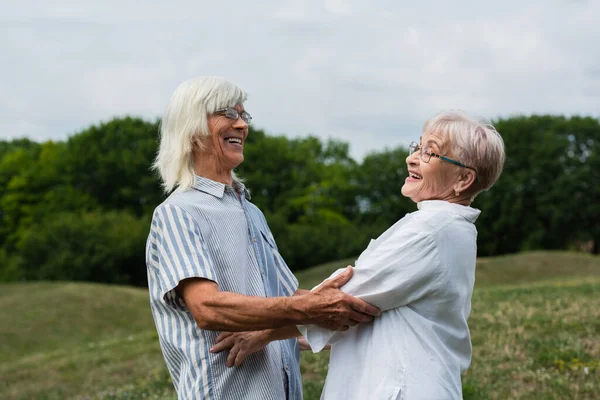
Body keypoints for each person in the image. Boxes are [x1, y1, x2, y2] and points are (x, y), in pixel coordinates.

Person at [212, 110, 505, 399]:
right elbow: (364, 313)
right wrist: (284, 328)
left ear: (464, 179)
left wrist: (262, 330)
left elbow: (340, 304)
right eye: (418, 146)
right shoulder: (446, 228)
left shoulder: (430, 231)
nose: (412, 157)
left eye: (430, 152)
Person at [145, 76, 379, 400]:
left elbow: (288, 297)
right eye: (228, 113)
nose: (241, 124)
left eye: (244, 115)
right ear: (192, 128)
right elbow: (207, 307)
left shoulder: (251, 212)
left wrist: (360, 302)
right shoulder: (177, 213)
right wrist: (308, 307)